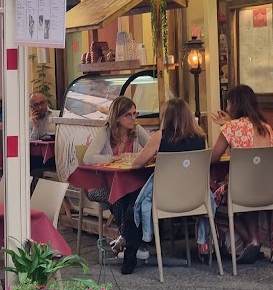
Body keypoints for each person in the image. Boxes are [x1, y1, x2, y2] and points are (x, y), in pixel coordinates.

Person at [124, 98, 206, 275]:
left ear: (166, 117)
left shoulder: (161, 136)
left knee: (135, 197)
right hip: (195, 198)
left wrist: (155, 158)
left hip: (165, 199)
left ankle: (132, 250)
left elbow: (137, 164)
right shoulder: (201, 138)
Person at [83, 96, 150, 270]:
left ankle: (126, 240)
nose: (133, 119)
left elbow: (152, 148)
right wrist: (114, 158)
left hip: (128, 183)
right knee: (125, 197)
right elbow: (88, 158)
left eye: (135, 114)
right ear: (117, 117)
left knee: (132, 196)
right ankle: (132, 241)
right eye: (128, 115)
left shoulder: (137, 130)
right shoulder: (105, 132)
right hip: (100, 185)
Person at [211, 84, 273, 259]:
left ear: (234, 105)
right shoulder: (266, 127)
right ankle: (254, 240)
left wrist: (227, 126)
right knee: (249, 198)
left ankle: (249, 240)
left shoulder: (230, 128)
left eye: (228, 104)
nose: (226, 108)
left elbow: (214, 158)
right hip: (267, 189)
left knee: (213, 201)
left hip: (241, 190)